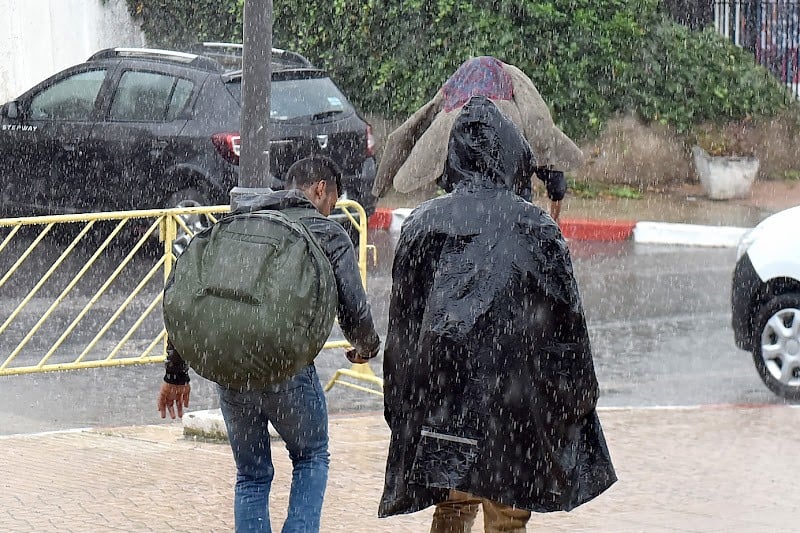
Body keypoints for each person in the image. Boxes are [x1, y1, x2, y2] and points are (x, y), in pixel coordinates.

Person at [379, 96, 616, 532]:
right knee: (506, 515)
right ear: (511, 157)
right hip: (515, 407)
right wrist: (578, 398)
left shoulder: (422, 224)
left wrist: (399, 402)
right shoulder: (536, 229)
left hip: (443, 402)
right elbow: (567, 330)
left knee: (451, 503)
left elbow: (404, 330)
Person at [158, 156, 381, 533]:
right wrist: (366, 349)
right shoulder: (327, 233)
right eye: (332, 202)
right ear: (320, 189)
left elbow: (194, 299)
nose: (330, 212)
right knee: (311, 456)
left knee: (252, 476)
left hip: (230, 372)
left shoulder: (239, 223)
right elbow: (355, 309)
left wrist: (176, 373)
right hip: (287, 371)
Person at [372, 56, 581, 221]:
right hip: (513, 207)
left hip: (462, 210)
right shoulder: (518, 102)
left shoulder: (452, 101)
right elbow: (542, 135)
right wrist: (552, 221)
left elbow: (407, 132)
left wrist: (379, 189)